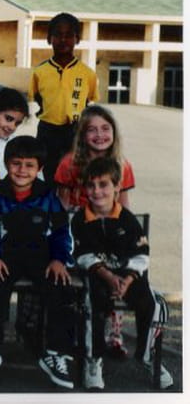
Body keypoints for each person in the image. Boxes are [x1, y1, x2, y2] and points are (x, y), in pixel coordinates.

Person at [0, 136, 76, 389]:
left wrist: (58, 259)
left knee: (61, 288)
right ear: (6, 164)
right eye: (16, 163)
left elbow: (61, 231)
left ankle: (55, 353)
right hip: (5, 255)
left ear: (39, 168)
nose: (22, 170)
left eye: (29, 165)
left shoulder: (47, 195)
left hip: (40, 255)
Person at [72, 157, 173, 390]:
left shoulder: (127, 219)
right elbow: (82, 254)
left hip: (129, 277)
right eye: (91, 185)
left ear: (117, 187)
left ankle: (147, 356)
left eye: (103, 184)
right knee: (91, 303)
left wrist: (126, 280)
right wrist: (108, 277)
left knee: (153, 304)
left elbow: (142, 255)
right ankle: (94, 359)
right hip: (98, 276)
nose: (97, 191)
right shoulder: (80, 219)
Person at [55, 104, 136, 358]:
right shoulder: (69, 163)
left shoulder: (122, 165)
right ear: (82, 134)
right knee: (78, 281)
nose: (99, 135)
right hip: (77, 232)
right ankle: (73, 334)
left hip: (107, 233)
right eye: (92, 130)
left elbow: (124, 210)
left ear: (114, 132)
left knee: (116, 266)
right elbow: (61, 206)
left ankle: (113, 334)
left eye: (105, 128)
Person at [29, 12, 98, 182]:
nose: (63, 40)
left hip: (75, 131)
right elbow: (37, 98)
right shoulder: (39, 72)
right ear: (49, 39)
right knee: (49, 174)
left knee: (75, 174)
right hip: (47, 131)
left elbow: (88, 101)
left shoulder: (87, 73)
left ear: (77, 39)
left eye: (69, 35)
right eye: (58, 35)